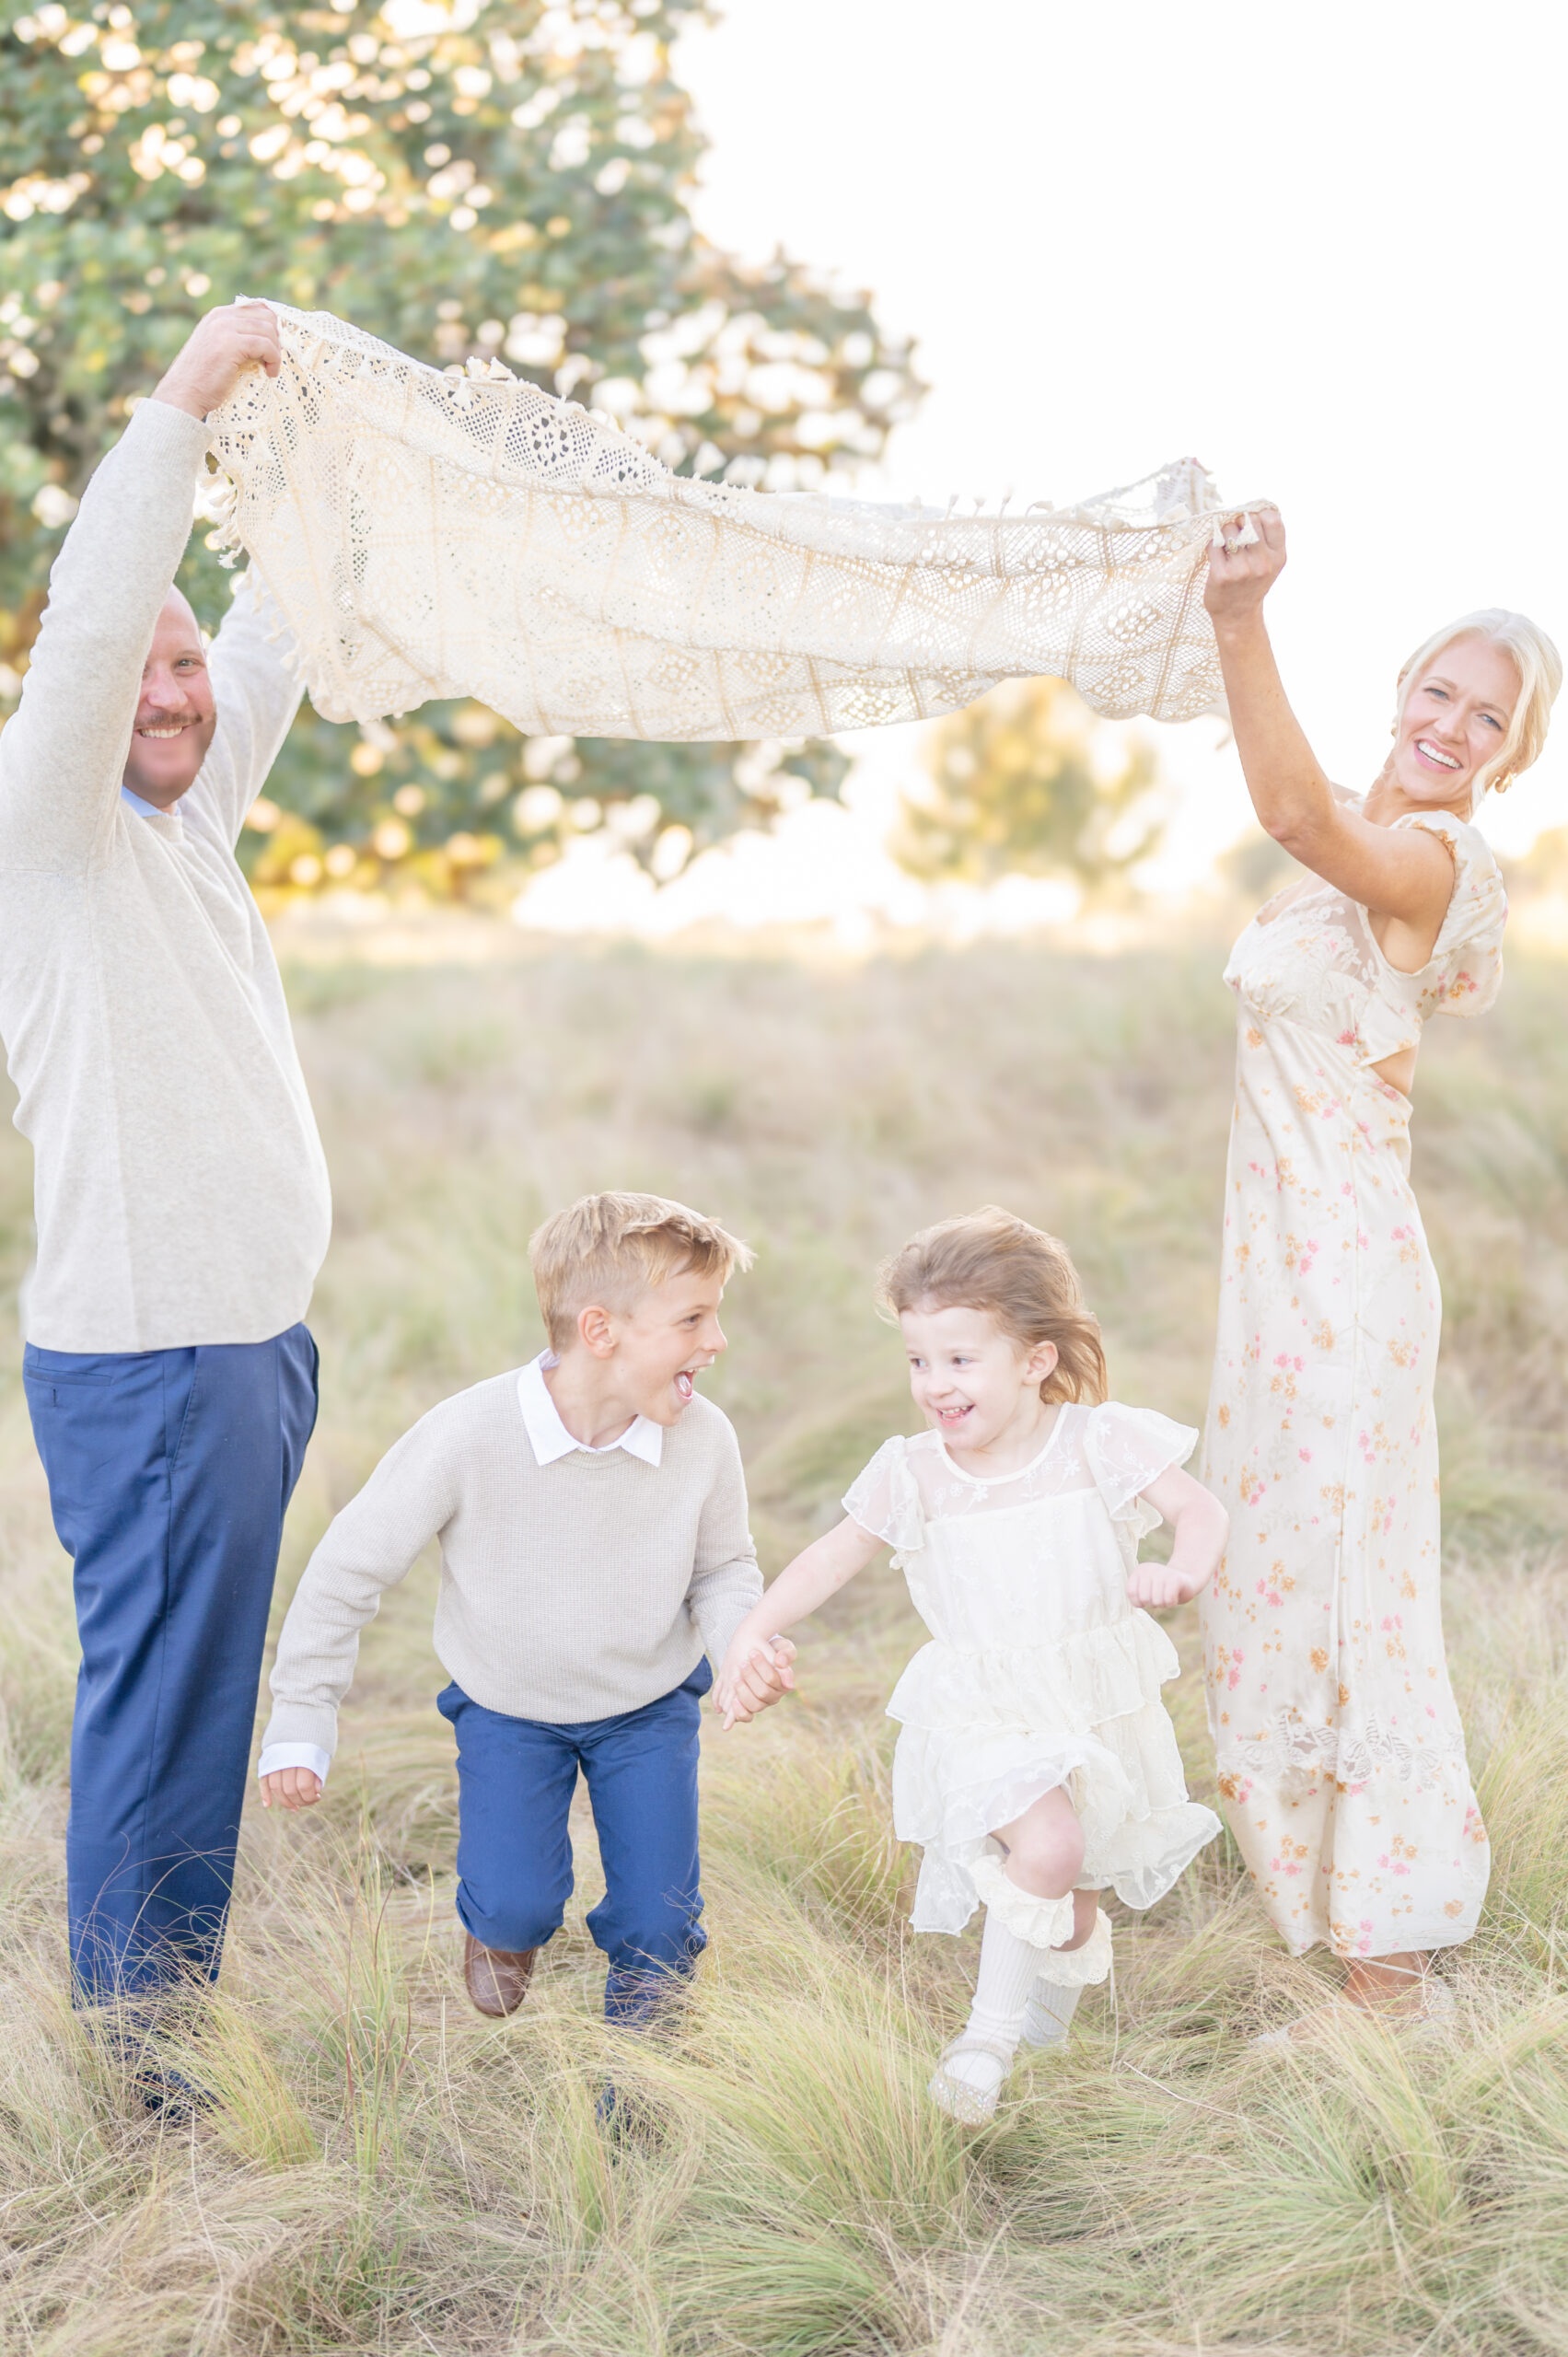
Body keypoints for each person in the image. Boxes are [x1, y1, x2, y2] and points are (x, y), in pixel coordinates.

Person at [0, 301, 331, 2018]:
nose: (170, 689)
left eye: (183, 663)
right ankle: (144, 2051)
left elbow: (280, 622)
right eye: (136, 666)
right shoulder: (45, 830)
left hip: (250, 1348)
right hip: (155, 1359)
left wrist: (329, 447)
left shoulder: (187, 807)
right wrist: (190, 401)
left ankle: (168, 2001)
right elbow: (95, 634)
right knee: (162, 1715)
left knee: (206, 1699)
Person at [1197, 512, 1561, 2025]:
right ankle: (1318, 1884)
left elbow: (1286, 808)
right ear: (1401, 689)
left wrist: (1236, 617)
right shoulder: (1336, 880)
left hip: (1344, 1281)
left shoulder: (1427, 859)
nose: (1450, 725)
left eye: (1487, 718)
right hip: (1275, 1274)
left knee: (1356, 1594)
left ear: (1505, 757)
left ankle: (1392, 1953)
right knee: (1275, 1573)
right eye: (1438, 692)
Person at [715, 1207, 1226, 2124]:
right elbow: (831, 1556)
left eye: (958, 1361)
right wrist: (756, 1626)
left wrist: (1180, 1567)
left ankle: (1039, 2041)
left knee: (1070, 1906)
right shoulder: (914, 1471)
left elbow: (1199, 1511)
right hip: (982, 1706)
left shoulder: (1095, 1443)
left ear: (1032, 1359)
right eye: (917, 1361)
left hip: (1089, 1706)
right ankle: (983, 2040)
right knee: (1048, 1845)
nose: (933, 1385)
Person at [259, 1191, 790, 2024]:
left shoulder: (703, 1438)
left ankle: (640, 2057)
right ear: (600, 1331)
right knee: (516, 1902)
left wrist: (739, 1645)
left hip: (645, 1707)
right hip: (508, 1709)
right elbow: (347, 1569)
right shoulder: (469, 1435)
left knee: (659, 1920)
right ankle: (501, 1931)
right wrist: (301, 1711)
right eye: (692, 1320)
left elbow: (723, 1568)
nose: (716, 1342)